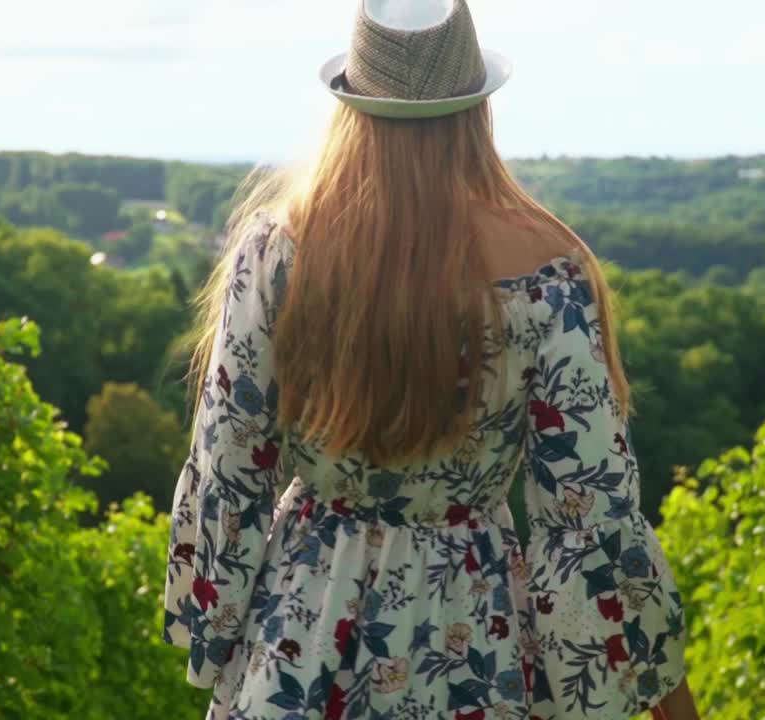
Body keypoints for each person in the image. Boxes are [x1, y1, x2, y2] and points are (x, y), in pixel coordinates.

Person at [163, 1, 700, 718]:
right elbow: (590, 518)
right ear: (477, 110)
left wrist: (215, 637)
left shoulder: (279, 251)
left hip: (300, 636)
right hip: (473, 642)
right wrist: (664, 699)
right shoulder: (553, 271)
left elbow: (228, 471)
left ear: (351, 108)